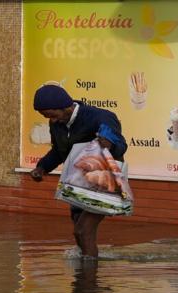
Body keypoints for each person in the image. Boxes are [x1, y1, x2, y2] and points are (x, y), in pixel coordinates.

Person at [28, 84, 128, 260]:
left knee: (82, 230)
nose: (52, 120)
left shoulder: (100, 117)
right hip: (78, 183)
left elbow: (120, 144)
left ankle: (88, 278)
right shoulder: (56, 124)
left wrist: (109, 143)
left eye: (52, 115)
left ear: (66, 107)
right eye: (46, 117)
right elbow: (59, 151)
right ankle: (89, 271)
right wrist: (42, 168)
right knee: (78, 229)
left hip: (104, 182)